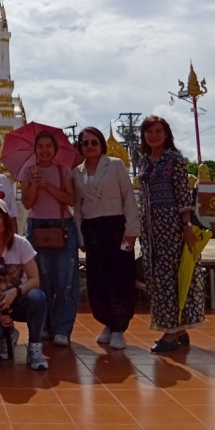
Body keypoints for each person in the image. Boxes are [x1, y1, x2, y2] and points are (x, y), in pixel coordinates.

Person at [138, 115, 204, 353]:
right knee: (156, 278)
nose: (154, 136)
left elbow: (183, 196)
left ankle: (170, 333)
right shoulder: (144, 161)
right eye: (149, 131)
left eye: (158, 131)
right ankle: (180, 329)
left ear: (166, 134)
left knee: (170, 277)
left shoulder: (174, 159)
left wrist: (186, 227)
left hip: (172, 228)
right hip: (150, 229)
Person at [72, 127, 139, 350]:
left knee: (120, 277)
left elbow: (129, 197)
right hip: (92, 229)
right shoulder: (77, 172)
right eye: (85, 143)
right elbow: (78, 207)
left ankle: (119, 327)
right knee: (97, 278)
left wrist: (131, 231)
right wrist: (80, 236)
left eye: (94, 142)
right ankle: (107, 322)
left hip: (117, 226)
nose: (90, 146)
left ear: (101, 144)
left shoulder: (115, 165)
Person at [0, 197, 49, 370]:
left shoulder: (21, 244)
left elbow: (35, 279)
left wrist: (16, 291)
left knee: (38, 297)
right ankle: (7, 336)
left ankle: (34, 346)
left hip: (21, 298)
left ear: (6, 219)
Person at [19, 130, 78, 346]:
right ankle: (42, 325)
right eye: (40, 146)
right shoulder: (27, 171)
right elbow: (27, 203)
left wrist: (48, 185)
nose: (44, 150)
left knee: (64, 282)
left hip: (62, 227)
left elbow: (71, 199)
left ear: (55, 149)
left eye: (48, 146)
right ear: (35, 149)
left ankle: (62, 328)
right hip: (37, 227)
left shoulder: (63, 171)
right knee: (40, 281)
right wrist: (36, 183)